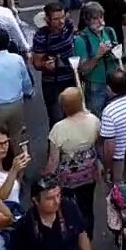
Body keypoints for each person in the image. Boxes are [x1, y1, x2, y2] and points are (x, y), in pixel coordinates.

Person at [43, 87, 101, 228]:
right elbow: (99, 146)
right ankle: (88, 232)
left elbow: (53, 161)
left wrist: (46, 175)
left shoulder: (58, 129)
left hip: (68, 178)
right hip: (89, 172)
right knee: (87, 205)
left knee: (69, 207)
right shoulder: (94, 120)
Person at [7, 180, 92, 250]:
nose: (56, 201)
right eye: (50, 198)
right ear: (36, 200)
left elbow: (83, 236)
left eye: (58, 195)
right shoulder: (26, 224)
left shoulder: (69, 208)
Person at [74, 1, 120, 115]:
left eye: (101, 17)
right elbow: (83, 69)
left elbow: (118, 57)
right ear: (87, 20)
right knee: (96, 117)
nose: (100, 21)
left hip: (113, 83)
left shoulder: (110, 32)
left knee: (116, 115)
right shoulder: (81, 40)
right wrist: (98, 55)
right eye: (95, 18)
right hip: (95, 86)